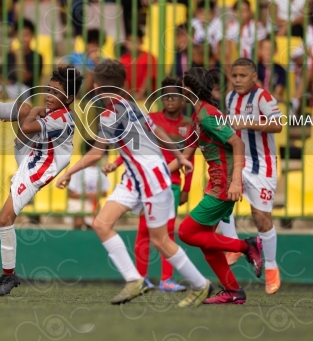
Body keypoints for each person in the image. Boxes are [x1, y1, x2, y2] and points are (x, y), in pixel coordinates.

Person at [55, 60, 212, 308]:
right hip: (134, 179)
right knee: (101, 223)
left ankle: (201, 285)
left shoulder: (111, 114)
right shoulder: (130, 104)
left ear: (96, 87)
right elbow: (157, 131)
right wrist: (180, 155)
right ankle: (135, 279)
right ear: (123, 84)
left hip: (151, 180)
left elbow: (96, 154)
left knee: (161, 241)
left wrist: (67, 173)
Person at [0, 68, 83, 296]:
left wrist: (32, 114)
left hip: (38, 168)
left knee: (4, 219)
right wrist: (30, 113)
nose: (49, 94)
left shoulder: (60, 119)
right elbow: (26, 128)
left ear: (69, 98)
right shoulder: (54, 113)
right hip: (35, 151)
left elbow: (25, 130)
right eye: (49, 89)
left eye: (56, 92)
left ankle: (8, 275)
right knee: (22, 108)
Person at [174, 67, 263, 304]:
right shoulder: (199, 114)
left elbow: (237, 144)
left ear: (190, 89)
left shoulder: (207, 115)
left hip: (224, 184)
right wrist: (160, 172)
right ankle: (233, 291)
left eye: (184, 86)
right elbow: (189, 150)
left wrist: (235, 181)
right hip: (218, 183)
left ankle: (247, 245)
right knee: (207, 243)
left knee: (186, 233)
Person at [219, 58, 284, 295]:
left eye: (242, 76)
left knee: (261, 218)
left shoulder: (263, 98)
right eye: (234, 76)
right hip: (239, 160)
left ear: (254, 77)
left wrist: (247, 122)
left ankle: (271, 267)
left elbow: (278, 125)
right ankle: (235, 246)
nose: (237, 80)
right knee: (222, 201)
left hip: (263, 164)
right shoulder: (229, 97)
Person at [133, 77, 194, 292]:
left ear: (183, 100)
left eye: (175, 96)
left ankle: (166, 279)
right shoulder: (150, 120)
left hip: (173, 185)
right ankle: (140, 279)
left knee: (167, 232)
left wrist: (187, 188)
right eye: (166, 95)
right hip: (150, 183)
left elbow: (191, 159)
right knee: (144, 231)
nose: (169, 100)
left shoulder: (188, 125)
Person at [66, 143, 111, 230]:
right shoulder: (78, 170)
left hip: (94, 203)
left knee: (94, 225)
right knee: (79, 220)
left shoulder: (102, 170)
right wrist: (88, 195)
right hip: (78, 202)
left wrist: (96, 195)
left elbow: (104, 193)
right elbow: (71, 194)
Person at [7, 20, 44, 89]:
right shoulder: (9, 55)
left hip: (25, 90)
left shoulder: (37, 57)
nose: (23, 39)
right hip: (4, 88)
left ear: (33, 35)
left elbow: (23, 78)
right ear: (15, 36)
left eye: (26, 35)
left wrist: (19, 56)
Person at [120, 28, 156, 97]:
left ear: (142, 42)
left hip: (148, 95)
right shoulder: (124, 59)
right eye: (130, 42)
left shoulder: (150, 58)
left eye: (135, 41)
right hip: (129, 96)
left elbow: (148, 79)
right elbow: (124, 81)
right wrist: (129, 95)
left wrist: (140, 95)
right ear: (126, 43)